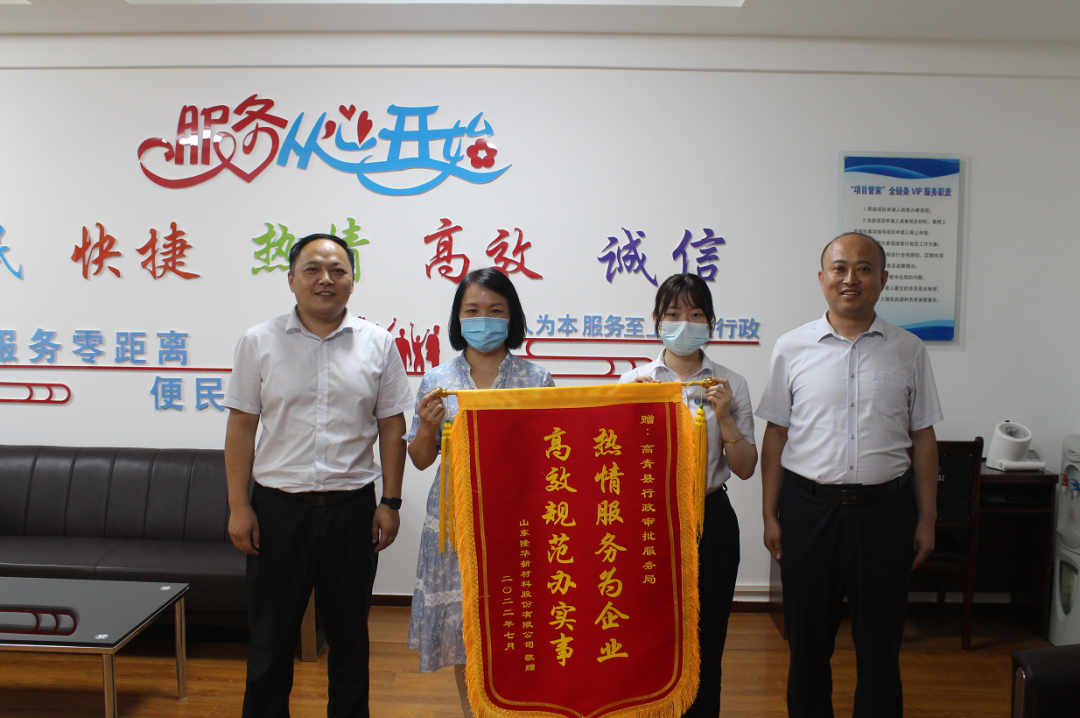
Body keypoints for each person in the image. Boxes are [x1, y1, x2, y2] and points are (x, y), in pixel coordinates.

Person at [222, 233, 413, 718]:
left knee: (349, 638)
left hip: (352, 510)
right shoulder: (259, 341)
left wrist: (390, 502)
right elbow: (241, 425)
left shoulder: (378, 343)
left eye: (337, 269)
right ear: (291, 280)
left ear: (352, 281)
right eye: (312, 269)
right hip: (277, 510)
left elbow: (392, 426)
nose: (325, 279)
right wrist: (239, 505)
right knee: (270, 639)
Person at [756, 232, 942, 718]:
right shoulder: (791, 347)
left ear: (883, 279)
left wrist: (927, 519)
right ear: (822, 278)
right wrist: (770, 514)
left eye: (863, 268)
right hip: (808, 511)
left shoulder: (909, 349)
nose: (850, 278)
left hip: (886, 513)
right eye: (839, 268)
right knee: (807, 642)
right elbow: (776, 434)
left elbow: (923, 438)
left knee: (881, 646)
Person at [406, 268, 554, 717]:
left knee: (517, 619)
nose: (483, 319)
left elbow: (552, 459)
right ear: (458, 318)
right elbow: (420, 459)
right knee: (465, 627)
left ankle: (517, 707)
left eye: (495, 310)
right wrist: (426, 427)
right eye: (472, 310)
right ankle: (473, 710)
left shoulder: (536, 379)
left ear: (512, 317)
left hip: (518, 522)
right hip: (455, 522)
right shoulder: (438, 379)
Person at [618, 273, 758, 717]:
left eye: (696, 314)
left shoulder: (730, 383)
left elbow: (746, 467)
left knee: (707, 640)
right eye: (674, 314)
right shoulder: (634, 382)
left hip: (710, 519)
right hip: (649, 521)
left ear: (711, 323)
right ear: (656, 320)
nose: (685, 323)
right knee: (648, 639)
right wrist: (630, 414)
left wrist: (726, 416)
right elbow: (614, 468)